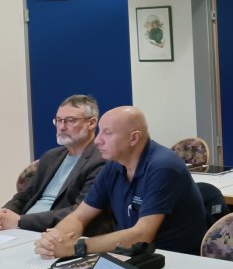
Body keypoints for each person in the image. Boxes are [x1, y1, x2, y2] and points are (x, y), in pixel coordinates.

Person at [34, 106, 207, 258]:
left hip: (173, 260)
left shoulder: (163, 166)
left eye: (107, 133)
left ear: (133, 138)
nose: (97, 140)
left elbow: (142, 235)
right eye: (100, 131)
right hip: (133, 256)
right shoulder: (114, 165)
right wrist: (55, 240)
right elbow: (79, 216)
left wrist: (76, 247)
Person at [2, 95, 111, 235]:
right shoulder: (50, 157)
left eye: (70, 121)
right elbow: (24, 196)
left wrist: (20, 221)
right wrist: (4, 214)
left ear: (91, 123)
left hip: (56, 233)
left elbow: (80, 211)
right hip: (20, 229)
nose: (62, 127)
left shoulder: (101, 160)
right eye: (58, 120)